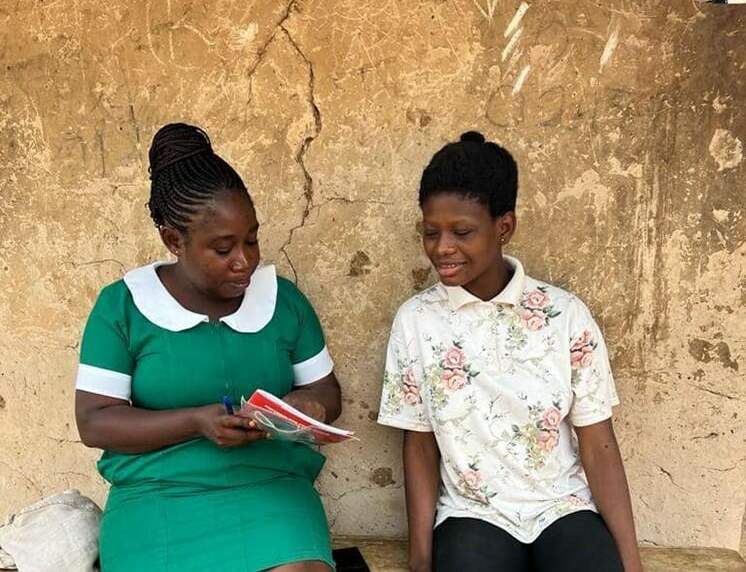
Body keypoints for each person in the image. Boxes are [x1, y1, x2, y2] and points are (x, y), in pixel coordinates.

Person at [75, 123, 341, 572]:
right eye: (224, 248)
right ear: (174, 240)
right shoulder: (122, 306)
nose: (246, 260)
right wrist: (196, 422)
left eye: (252, 239)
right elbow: (94, 422)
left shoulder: (284, 301)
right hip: (155, 496)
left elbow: (328, 393)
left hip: (269, 487)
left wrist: (307, 406)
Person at [378, 132, 643, 572]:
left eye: (462, 232)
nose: (442, 247)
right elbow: (420, 446)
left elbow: (599, 446)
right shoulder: (417, 320)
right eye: (430, 232)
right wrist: (420, 558)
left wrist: (630, 563)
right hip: (472, 513)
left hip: (563, 507)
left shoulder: (565, 315)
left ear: (504, 226)